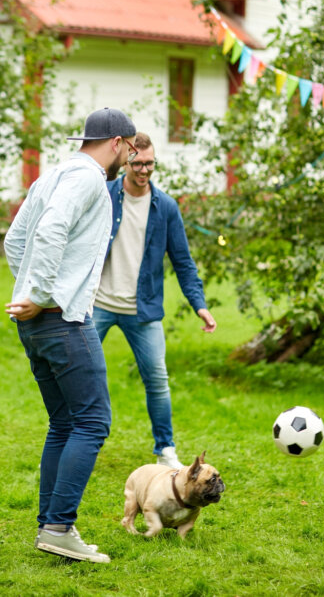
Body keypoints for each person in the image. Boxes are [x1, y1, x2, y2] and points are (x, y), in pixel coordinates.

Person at [4, 107, 138, 564]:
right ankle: (60, 525)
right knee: (93, 422)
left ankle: (51, 526)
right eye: (131, 148)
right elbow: (50, 229)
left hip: (35, 322)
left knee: (63, 423)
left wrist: (28, 295)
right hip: (62, 319)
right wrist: (41, 294)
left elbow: (14, 240)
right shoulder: (86, 179)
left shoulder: (52, 176)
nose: (130, 157)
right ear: (118, 143)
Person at [93, 133, 216, 470]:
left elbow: (183, 261)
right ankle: (79, 436)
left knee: (157, 379)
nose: (144, 169)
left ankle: (165, 448)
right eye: (137, 163)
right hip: (98, 304)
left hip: (142, 310)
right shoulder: (105, 195)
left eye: (149, 163)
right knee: (81, 373)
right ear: (125, 162)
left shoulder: (166, 207)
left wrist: (199, 304)